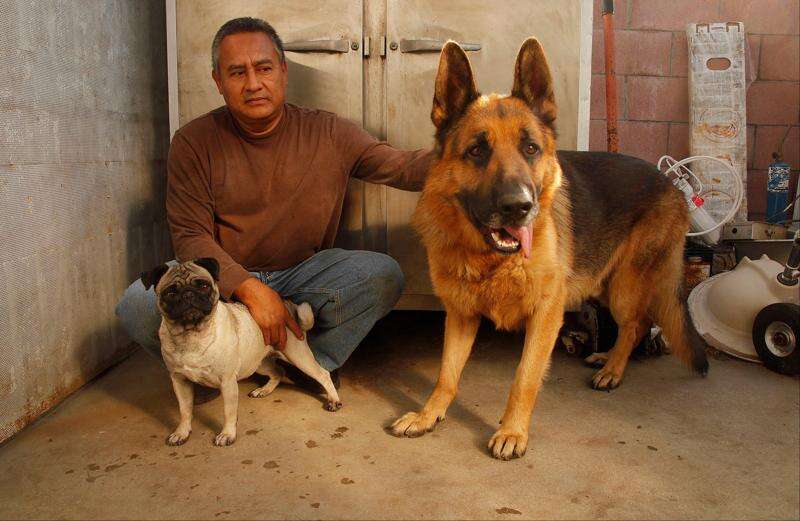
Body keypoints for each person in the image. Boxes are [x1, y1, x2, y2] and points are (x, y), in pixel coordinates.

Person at [115, 17, 431, 382]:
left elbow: (401, 167)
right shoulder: (193, 142)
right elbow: (190, 236)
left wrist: (473, 153)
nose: (253, 84)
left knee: (382, 275)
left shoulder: (329, 132)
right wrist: (249, 289)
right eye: (237, 72)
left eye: (263, 68)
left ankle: (308, 365)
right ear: (218, 81)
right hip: (223, 282)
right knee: (136, 307)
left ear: (283, 70)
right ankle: (223, 366)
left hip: (303, 274)